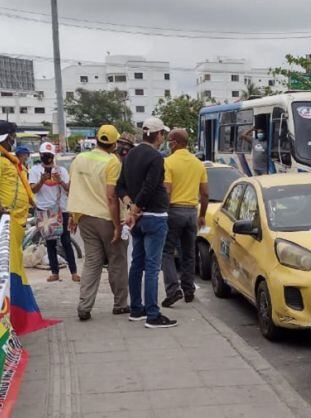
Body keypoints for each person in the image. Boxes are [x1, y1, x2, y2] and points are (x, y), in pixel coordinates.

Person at [118, 117, 177, 329]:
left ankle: (136, 308)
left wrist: (130, 206)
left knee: (137, 263)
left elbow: (120, 186)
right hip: (154, 216)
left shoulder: (130, 154)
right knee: (152, 267)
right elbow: (151, 185)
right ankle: (153, 314)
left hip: (138, 219)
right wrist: (136, 207)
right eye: (162, 135)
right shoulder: (155, 156)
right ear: (158, 135)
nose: (162, 139)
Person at [68, 125, 127, 319]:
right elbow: (111, 197)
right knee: (116, 261)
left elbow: (73, 188)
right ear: (113, 143)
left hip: (84, 217)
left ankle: (84, 306)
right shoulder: (112, 162)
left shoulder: (79, 159)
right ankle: (120, 304)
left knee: (92, 262)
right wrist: (118, 226)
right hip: (106, 218)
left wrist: (72, 216)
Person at [161, 129, 208, 307]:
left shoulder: (168, 162)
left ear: (174, 142)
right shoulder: (198, 164)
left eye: (169, 141)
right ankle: (189, 290)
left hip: (174, 211)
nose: (168, 144)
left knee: (166, 252)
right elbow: (205, 193)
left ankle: (173, 290)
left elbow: (166, 190)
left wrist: (163, 213)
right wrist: (202, 215)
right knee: (189, 253)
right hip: (191, 212)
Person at [0, 120, 35, 264]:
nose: (14, 139)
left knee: (12, 263)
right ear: (7, 137)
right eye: (13, 135)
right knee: (3, 263)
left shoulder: (6, 156)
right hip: (2, 219)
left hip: (13, 219)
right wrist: (0, 209)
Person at [29, 142, 79, 283]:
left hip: (61, 210)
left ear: (53, 156)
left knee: (66, 241)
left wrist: (60, 181)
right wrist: (41, 180)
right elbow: (33, 190)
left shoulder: (61, 170)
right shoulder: (35, 170)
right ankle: (54, 272)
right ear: (40, 155)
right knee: (50, 243)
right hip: (44, 211)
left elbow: (69, 188)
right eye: (45, 155)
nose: (47, 158)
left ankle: (73, 272)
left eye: (50, 155)